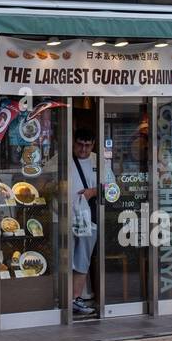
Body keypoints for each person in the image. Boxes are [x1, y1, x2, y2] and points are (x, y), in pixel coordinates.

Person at [70, 127, 98, 316]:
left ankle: (76, 298)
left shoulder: (99, 160)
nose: (83, 149)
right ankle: (63, 298)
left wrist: (92, 192)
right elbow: (44, 179)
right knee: (65, 259)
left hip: (88, 218)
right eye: (80, 144)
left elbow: (111, 186)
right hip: (64, 216)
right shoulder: (62, 157)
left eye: (87, 146)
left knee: (82, 259)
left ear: (93, 145)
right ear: (74, 142)